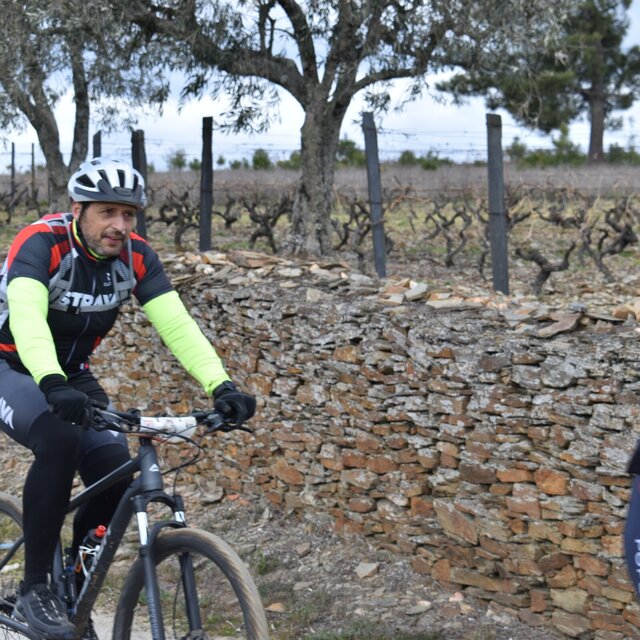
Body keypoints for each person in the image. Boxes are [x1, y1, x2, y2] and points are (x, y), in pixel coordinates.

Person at [0, 157, 256, 640]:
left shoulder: (136, 257)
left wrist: (220, 385)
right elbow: (29, 318)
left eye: (129, 214)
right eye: (107, 213)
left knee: (114, 472)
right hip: (10, 365)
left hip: (71, 375)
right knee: (59, 440)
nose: (119, 225)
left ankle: (73, 590)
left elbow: (177, 325)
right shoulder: (41, 243)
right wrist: (51, 382)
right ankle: (35, 587)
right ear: (78, 208)